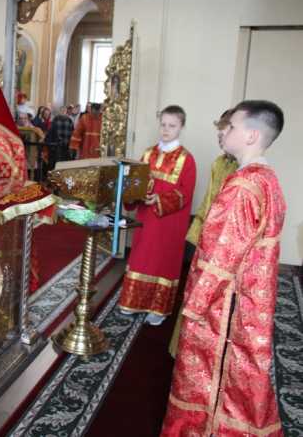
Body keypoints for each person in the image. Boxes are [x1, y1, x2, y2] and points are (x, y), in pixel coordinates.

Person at [161, 100, 286, 436]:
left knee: (212, 380)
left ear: (251, 135)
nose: (225, 131)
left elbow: (220, 258)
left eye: (232, 126)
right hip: (252, 301)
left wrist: (194, 307)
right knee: (244, 377)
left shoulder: (242, 187)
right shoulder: (268, 179)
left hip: (225, 304)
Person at [167, 109, 238, 357]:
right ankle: (185, 351)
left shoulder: (244, 171)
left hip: (227, 246)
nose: (219, 137)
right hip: (207, 240)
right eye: (218, 132)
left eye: (224, 132)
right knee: (195, 295)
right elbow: (207, 201)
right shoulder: (219, 163)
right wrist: (198, 236)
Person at [117, 105, 196, 326]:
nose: (166, 130)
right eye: (163, 124)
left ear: (181, 127)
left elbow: (186, 193)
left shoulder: (187, 159)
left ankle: (158, 308)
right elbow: (137, 181)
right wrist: (134, 193)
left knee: (163, 261)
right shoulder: (148, 153)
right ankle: (133, 301)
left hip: (169, 222)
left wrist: (159, 199)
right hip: (146, 218)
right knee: (142, 257)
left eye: (172, 126)